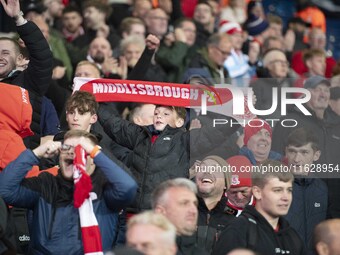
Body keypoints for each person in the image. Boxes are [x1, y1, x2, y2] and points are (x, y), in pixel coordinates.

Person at [0, 129, 137, 254]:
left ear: (94, 159)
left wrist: (94, 152)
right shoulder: (46, 184)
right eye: (67, 147)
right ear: (60, 156)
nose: (73, 152)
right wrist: (35, 154)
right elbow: (5, 190)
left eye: (81, 150)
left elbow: (128, 187)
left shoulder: (105, 188)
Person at [99, 103, 238, 213]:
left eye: (166, 114)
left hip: (165, 215)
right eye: (156, 113)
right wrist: (93, 105)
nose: (159, 116)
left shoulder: (184, 141)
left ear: (179, 122)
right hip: (132, 212)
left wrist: (237, 110)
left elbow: (216, 132)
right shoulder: (139, 134)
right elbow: (114, 124)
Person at [213, 161, 306, 255]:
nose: (285, 197)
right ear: (257, 192)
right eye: (277, 190)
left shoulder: (293, 237)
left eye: (289, 190)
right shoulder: (238, 230)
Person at [0, 0, 53, 149]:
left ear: (19, 59)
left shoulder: (28, 82)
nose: (0, 57)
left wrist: (18, 18)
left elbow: (43, 56)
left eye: (5, 53)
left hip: (20, 160)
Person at [284, 128, 328, 253]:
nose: (297, 159)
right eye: (292, 152)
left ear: (316, 155)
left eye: (304, 152)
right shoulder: (276, 186)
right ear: (286, 152)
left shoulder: (323, 189)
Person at [151, 178, 208, 255]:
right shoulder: (138, 248)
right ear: (160, 212)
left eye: (195, 204)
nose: (193, 210)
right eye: (184, 203)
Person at [194, 155, 234, 253]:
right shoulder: (180, 213)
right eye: (202, 168)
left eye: (214, 168)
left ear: (226, 183)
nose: (207, 171)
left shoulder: (235, 224)